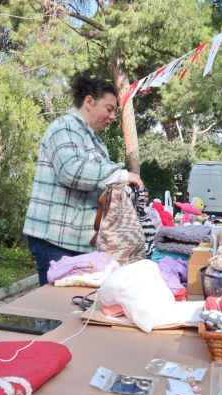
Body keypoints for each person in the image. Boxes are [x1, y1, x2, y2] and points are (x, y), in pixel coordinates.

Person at [23, 73, 143, 285]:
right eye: (109, 109)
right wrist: (121, 175)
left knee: (71, 304)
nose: (113, 116)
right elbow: (71, 171)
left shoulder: (92, 138)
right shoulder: (65, 127)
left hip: (76, 240)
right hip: (56, 240)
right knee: (56, 307)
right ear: (89, 101)